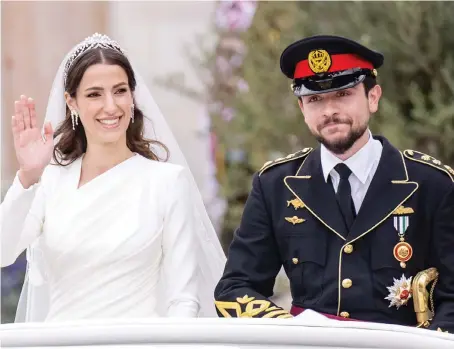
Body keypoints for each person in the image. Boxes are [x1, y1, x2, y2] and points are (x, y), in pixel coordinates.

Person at [213, 35, 454, 332]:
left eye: (343, 94)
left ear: (373, 97)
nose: (328, 111)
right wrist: (292, 331)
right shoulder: (276, 185)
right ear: (302, 109)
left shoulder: (430, 184)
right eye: (314, 99)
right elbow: (235, 287)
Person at [1, 33, 226, 322]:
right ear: (72, 102)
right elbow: (3, 252)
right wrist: (27, 176)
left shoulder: (168, 182)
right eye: (95, 94)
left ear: (133, 96)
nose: (111, 106)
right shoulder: (51, 182)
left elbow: (183, 299)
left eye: (120, 91)